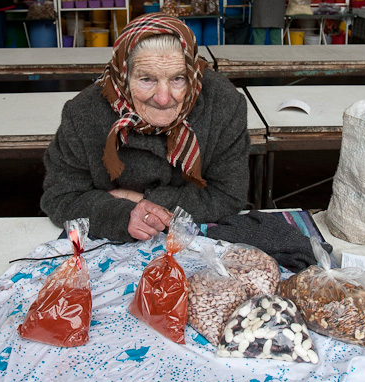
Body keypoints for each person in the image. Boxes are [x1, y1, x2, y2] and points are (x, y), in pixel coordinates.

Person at [40, 13, 251, 242]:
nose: (163, 98)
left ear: (192, 73)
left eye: (178, 79)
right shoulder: (84, 113)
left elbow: (227, 194)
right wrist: (121, 214)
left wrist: (139, 200)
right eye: (146, 79)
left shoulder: (224, 104)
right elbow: (62, 196)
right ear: (123, 75)